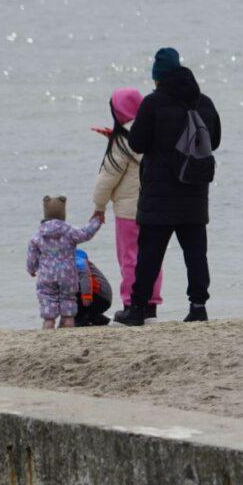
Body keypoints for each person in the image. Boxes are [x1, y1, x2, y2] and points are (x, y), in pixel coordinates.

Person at [114, 47, 221, 326]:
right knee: (196, 253)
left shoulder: (152, 104)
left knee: (149, 254)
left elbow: (136, 142)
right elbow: (216, 140)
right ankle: (198, 307)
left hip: (158, 196)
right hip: (194, 192)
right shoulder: (204, 103)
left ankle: (137, 309)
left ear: (157, 76)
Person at [90, 88, 164, 320]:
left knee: (130, 258)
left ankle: (132, 303)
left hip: (128, 212)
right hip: (154, 206)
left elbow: (107, 177)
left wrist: (98, 206)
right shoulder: (154, 130)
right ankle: (151, 304)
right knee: (152, 257)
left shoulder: (122, 141)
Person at [26, 195, 101, 329]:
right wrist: (97, 220)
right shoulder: (69, 232)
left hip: (46, 277)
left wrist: (31, 269)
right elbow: (86, 233)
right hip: (68, 276)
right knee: (68, 307)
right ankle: (67, 331)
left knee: (48, 309)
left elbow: (32, 256)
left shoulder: (37, 236)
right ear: (63, 214)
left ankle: (48, 330)